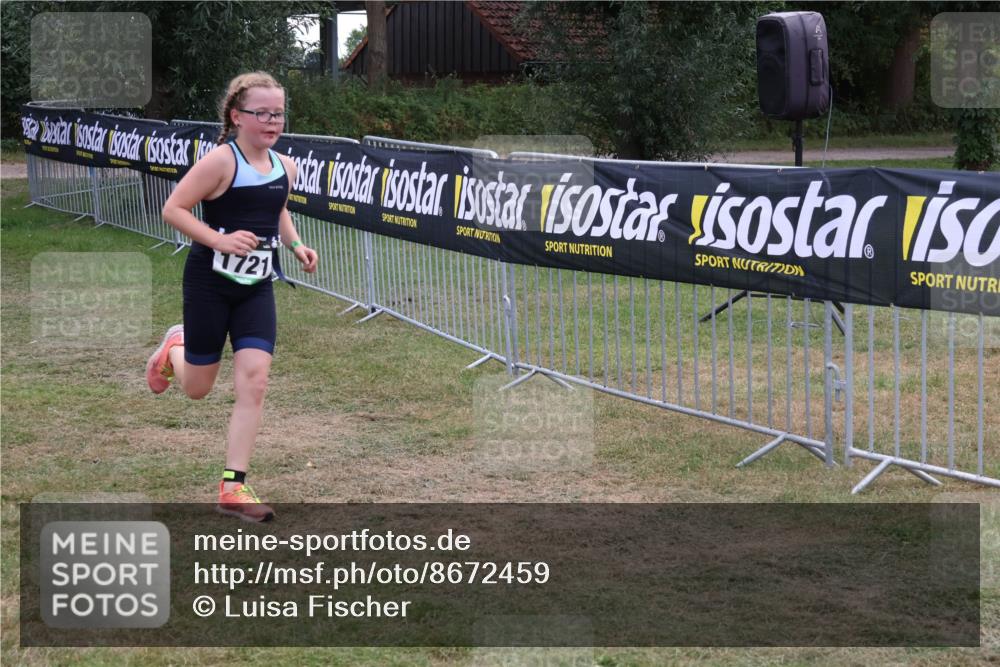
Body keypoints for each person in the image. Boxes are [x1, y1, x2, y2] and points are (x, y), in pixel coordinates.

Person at [147, 71, 318, 522]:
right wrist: (219, 240)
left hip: (256, 286)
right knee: (199, 388)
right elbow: (173, 209)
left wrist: (297, 245)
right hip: (209, 282)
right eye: (261, 113)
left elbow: (276, 208)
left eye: (278, 113)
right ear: (236, 116)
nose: (272, 121)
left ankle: (232, 487)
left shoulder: (286, 166)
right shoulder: (221, 161)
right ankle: (173, 350)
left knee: (255, 379)